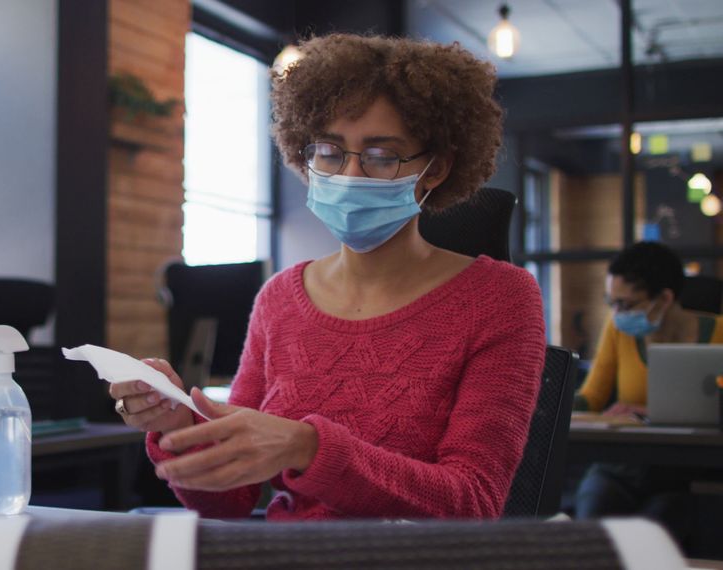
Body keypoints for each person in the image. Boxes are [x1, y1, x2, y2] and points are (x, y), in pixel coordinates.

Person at [110, 33, 546, 521]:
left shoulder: (499, 298)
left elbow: (473, 501)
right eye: (330, 152)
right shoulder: (279, 299)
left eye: (382, 156)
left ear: (436, 169)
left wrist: (307, 448)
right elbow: (231, 502)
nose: (351, 174)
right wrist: (179, 426)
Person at [573, 241, 723, 541]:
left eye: (626, 304)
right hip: (623, 467)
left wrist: (654, 413)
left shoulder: (719, 332)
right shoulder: (618, 331)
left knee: (663, 523)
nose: (616, 313)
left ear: (664, 298)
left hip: (686, 472)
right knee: (591, 520)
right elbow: (591, 398)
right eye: (611, 302)